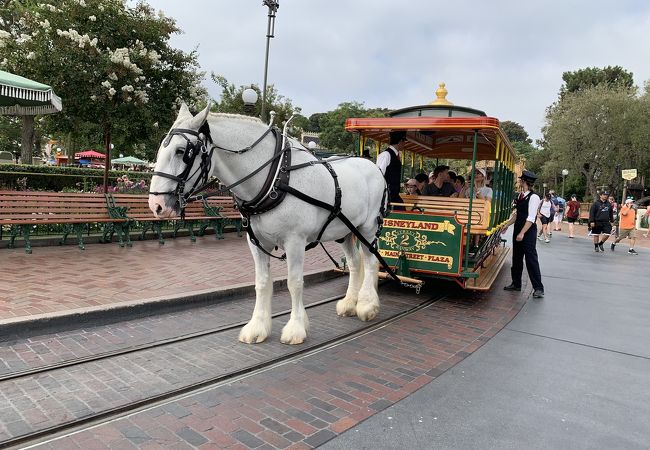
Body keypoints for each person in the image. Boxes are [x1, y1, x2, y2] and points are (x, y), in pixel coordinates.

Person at [501, 170, 544, 298]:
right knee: (517, 257)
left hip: (528, 231)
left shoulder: (534, 197)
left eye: (521, 180)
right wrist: (507, 225)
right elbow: (517, 214)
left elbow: (531, 218)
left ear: (524, 181)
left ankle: (538, 288)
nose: (520, 182)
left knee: (531, 259)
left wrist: (522, 233)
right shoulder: (521, 195)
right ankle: (516, 283)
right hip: (519, 229)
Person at [376, 131, 407, 209]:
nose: (405, 144)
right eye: (404, 142)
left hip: (393, 195)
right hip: (386, 196)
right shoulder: (386, 155)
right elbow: (379, 175)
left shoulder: (395, 155)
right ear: (400, 141)